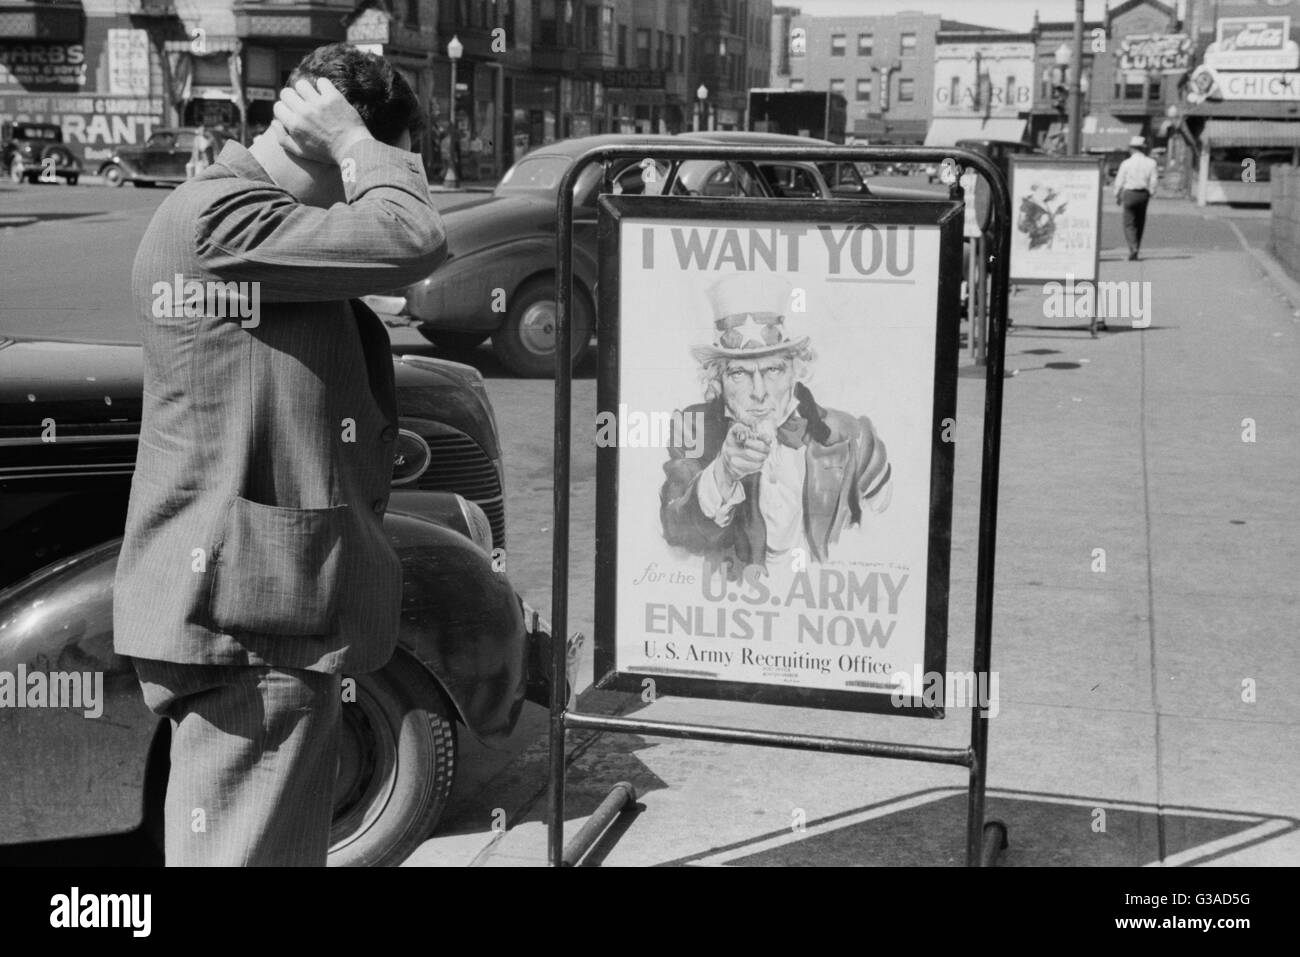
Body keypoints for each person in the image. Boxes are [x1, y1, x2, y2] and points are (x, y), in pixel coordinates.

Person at [113, 43, 446, 866]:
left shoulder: (248, 222)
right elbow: (411, 234)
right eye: (348, 162)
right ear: (315, 137)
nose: (356, 189)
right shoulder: (218, 217)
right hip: (252, 612)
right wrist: (359, 145)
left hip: (272, 609)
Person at [660, 275, 892, 576]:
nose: (759, 392)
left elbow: (886, 538)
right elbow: (677, 530)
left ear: (796, 370)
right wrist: (722, 474)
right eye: (740, 374)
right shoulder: (692, 428)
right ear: (717, 380)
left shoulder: (854, 437)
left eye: (772, 370)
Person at [1113, 135, 1159, 261]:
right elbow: (1154, 180)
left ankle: (1132, 247)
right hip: (1143, 194)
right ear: (1143, 148)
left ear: (1132, 148)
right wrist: (1151, 192)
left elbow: (1119, 180)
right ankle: (1136, 247)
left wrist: (1117, 194)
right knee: (1140, 222)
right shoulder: (1151, 162)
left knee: (1129, 223)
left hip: (1129, 194)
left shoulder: (1126, 163)